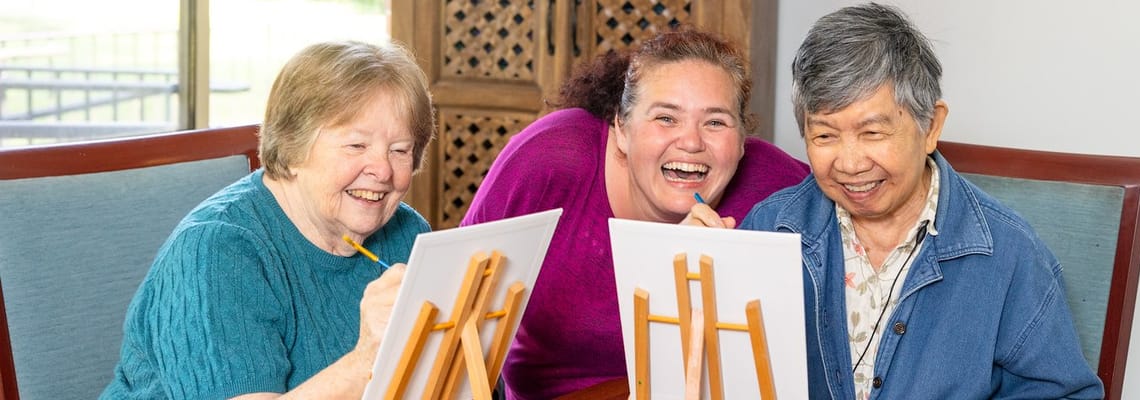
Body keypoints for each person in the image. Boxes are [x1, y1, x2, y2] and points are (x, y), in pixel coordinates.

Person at [685, 3, 1104, 399]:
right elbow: (715, 376)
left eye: (873, 133)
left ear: (931, 126)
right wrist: (689, 275)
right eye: (825, 135)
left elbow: (1062, 392)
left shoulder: (1008, 255)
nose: (849, 163)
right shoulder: (773, 227)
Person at [460, 26, 810, 399]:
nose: (691, 142)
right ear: (622, 130)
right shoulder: (548, 160)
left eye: (715, 122)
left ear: (742, 142)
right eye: (665, 118)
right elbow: (454, 306)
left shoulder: (776, 185)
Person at [100, 40, 435, 399]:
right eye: (356, 145)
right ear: (292, 148)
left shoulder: (408, 234)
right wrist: (367, 359)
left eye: (400, 150)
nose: (383, 170)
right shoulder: (217, 251)